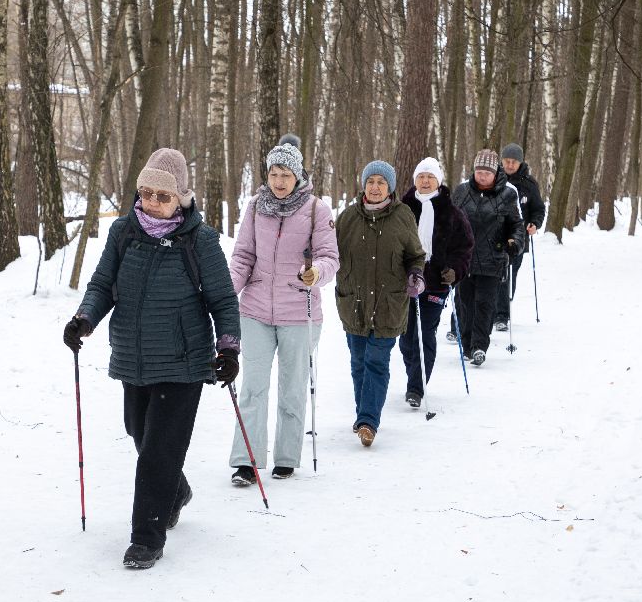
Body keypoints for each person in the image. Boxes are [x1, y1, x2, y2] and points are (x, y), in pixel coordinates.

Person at [63, 148, 239, 570]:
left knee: (159, 451)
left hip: (184, 361)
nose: (153, 202)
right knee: (138, 432)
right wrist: (84, 318)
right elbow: (103, 283)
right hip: (133, 356)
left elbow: (223, 299)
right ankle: (175, 492)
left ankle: (147, 537)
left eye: (163, 195)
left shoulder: (200, 240)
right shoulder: (124, 232)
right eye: (146, 193)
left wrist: (228, 347)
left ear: (181, 196)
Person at [226, 135, 338, 485]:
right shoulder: (256, 206)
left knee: (292, 389)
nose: (278, 181)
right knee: (252, 388)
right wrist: (226, 293)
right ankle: (247, 460)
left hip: (298, 312)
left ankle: (286, 458)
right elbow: (243, 256)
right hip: (256, 310)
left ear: (298, 175)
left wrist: (315, 273)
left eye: (285, 174)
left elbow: (330, 257)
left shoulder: (317, 209)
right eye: (274, 173)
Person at [334, 161, 425, 447]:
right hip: (354, 303)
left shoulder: (403, 216)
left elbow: (415, 254)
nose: (375, 187)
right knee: (358, 361)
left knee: (377, 361)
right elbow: (329, 253)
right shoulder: (347, 218)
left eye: (381, 183)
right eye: (371, 181)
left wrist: (416, 274)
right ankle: (364, 413)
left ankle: (368, 421)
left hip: (389, 303)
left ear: (390, 187)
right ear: (364, 184)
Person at [398, 157, 474, 407]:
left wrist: (454, 270)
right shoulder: (403, 208)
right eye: (421, 176)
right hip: (405, 282)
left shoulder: (452, 212)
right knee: (406, 337)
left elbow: (464, 248)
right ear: (415, 180)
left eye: (430, 177)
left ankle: (416, 388)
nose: (425, 181)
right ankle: (413, 370)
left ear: (438, 181)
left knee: (425, 333)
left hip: (435, 283)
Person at [451, 149, 524, 366]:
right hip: (465, 259)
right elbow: (449, 221)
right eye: (479, 171)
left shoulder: (508, 194)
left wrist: (515, 242)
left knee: (485, 304)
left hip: (493, 257)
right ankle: (466, 344)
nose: (482, 176)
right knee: (465, 303)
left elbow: (516, 225)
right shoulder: (461, 192)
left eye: (487, 172)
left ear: (495, 173)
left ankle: (479, 346)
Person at [494, 143, 546, 331]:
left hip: (518, 239)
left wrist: (535, 223)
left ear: (520, 162)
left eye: (513, 162)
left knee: (509, 276)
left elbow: (538, 209)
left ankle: (502, 315)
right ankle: (489, 312)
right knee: (492, 275)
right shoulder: (493, 179)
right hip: (493, 238)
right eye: (506, 161)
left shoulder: (529, 183)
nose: (509, 165)